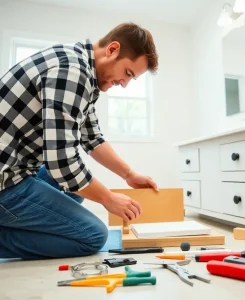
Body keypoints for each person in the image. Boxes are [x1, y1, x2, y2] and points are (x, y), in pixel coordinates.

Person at [0, 22, 159, 260]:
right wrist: (109, 199)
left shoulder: (81, 68)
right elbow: (62, 162)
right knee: (92, 235)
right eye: (127, 73)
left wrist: (129, 174)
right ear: (112, 49)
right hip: (5, 183)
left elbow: (92, 138)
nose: (124, 84)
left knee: (78, 190)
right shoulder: (73, 72)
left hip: (16, 171)